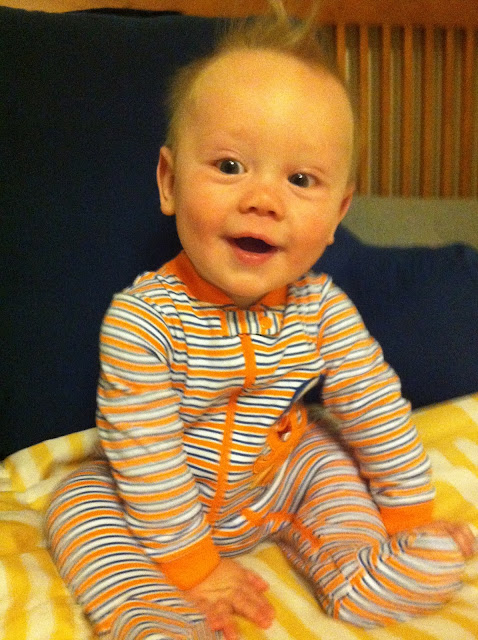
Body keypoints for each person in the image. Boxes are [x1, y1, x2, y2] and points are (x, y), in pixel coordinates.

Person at [46, 3, 476, 639]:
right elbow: (147, 454)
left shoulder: (322, 310)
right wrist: (194, 567)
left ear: (337, 216)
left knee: (327, 455)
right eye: (229, 166)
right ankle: (151, 614)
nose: (264, 200)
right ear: (169, 182)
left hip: (275, 478)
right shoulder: (142, 320)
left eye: (300, 179)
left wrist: (409, 513)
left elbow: (376, 409)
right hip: (163, 504)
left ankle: (364, 571)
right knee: (78, 501)